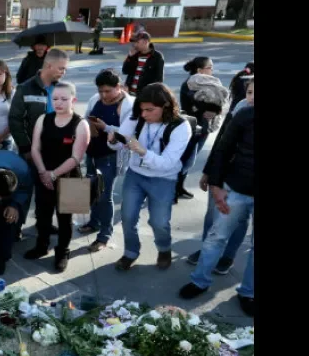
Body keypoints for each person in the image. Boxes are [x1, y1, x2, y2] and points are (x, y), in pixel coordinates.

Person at [179, 82, 254, 317]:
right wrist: (216, 185)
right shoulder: (245, 114)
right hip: (236, 189)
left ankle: (249, 292)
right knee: (216, 237)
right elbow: (223, 148)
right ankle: (200, 281)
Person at [108, 83, 191, 271]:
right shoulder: (137, 116)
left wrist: (143, 152)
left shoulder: (180, 126)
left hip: (164, 178)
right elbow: (120, 142)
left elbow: (168, 163)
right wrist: (114, 141)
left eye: (150, 110)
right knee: (128, 217)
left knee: (159, 222)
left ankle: (164, 248)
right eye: (141, 109)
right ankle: (131, 252)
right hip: (136, 175)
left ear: (166, 106)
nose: (144, 114)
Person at [24, 82, 90, 271]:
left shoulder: (81, 124)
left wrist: (52, 175)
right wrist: (43, 173)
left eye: (64, 99)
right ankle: (41, 246)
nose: (58, 103)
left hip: (71, 177)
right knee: (43, 214)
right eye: (55, 99)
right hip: (44, 172)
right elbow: (35, 148)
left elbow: (76, 158)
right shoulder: (43, 119)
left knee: (65, 219)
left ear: (73, 100)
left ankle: (63, 251)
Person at [9, 48, 69, 225]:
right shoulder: (25, 88)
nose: (63, 73)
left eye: (65, 69)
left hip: (56, 153)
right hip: (31, 153)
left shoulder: (63, 89)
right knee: (24, 190)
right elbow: (15, 120)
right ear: (49, 66)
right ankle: (16, 226)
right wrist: (26, 147)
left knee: (49, 192)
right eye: (61, 68)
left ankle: (45, 225)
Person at [79, 69, 134, 251]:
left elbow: (127, 135)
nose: (103, 95)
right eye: (101, 91)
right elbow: (86, 118)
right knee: (91, 191)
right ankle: (93, 222)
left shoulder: (129, 105)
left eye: (108, 91)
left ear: (118, 87)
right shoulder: (95, 99)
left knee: (104, 195)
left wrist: (105, 127)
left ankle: (104, 235)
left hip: (110, 156)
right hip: (92, 152)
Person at [177, 62, 228, 201]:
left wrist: (214, 110)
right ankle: (174, 188)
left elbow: (219, 105)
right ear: (199, 69)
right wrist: (210, 110)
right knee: (185, 159)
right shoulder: (191, 84)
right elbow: (195, 105)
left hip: (203, 128)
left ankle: (179, 187)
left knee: (190, 160)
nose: (212, 70)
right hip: (193, 129)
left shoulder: (207, 84)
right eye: (209, 67)